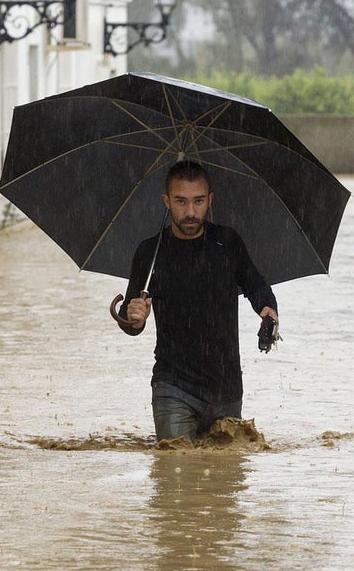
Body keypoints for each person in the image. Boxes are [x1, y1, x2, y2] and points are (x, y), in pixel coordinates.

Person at [116, 160, 278, 442]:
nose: (190, 212)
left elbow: (257, 286)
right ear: (166, 201)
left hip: (226, 390)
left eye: (198, 201)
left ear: (210, 200)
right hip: (173, 388)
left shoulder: (227, 243)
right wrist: (133, 317)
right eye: (180, 201)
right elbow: (131, 322)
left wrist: (268, 311)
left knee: (225, 480)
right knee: (176, 473)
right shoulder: (150, 252)